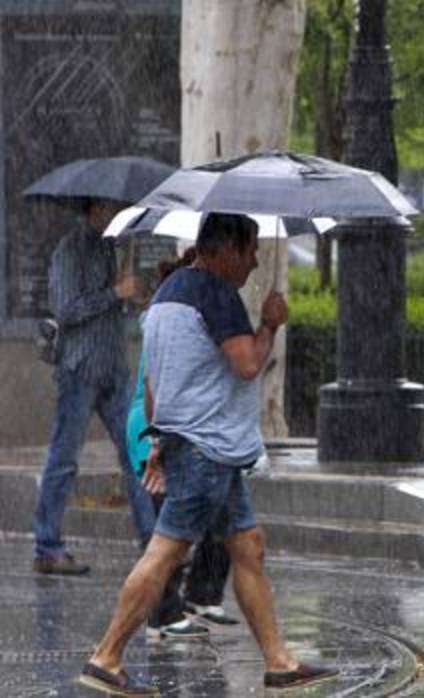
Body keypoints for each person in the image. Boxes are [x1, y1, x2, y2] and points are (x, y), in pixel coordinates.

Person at [79, 213, 335, 696]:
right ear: (228, 248)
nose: (256, 259)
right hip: (208, 449)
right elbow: (247, 365)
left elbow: (156, 383)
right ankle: (107, 655)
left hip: (195, 444)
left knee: (248, 545)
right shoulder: (217, 294)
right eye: (252, 248)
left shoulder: (166, 297)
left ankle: (278, 660)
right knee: (165, 552)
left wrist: (158, 443)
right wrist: (270, 325)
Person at [33, 197, 155, 575]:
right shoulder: (70, 250)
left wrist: (131, 297)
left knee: (136, 454)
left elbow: (110, 307)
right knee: (64, 457)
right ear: (94, 209)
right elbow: (67, 309)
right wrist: (113, 295)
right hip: (81, 367)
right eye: (109, 207)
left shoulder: (109, 247)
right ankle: (47, 546)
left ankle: (152, 540)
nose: (116, 212)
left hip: (112, 369)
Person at [125, 247, 237, 640]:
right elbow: (158, 386)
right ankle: (162, 615)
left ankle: (197, 596)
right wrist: (159, 441)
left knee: (215, 523)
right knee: (166, 535)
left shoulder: (185, 315)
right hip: (157, 432)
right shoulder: (171, 319)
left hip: (180, 433)